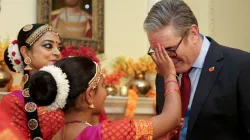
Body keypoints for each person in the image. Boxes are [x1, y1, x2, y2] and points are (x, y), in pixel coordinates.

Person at [144, 0, 250, 140]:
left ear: (193, 34)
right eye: (157, 51)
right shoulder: (164, 73)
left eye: (170, 50)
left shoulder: (241, 66)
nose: (166, 59)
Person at [28, 54, 181, 140]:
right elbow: (172, 118)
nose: (106, 92)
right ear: (89, 95)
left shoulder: (56, 135)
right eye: (102, 86)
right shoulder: (102, 135)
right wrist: (169, 74)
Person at [0, 24, 64, 140]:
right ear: (25, 52)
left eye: (59, 48)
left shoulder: (68, 94)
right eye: (48, 46)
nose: (57, 53)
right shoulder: (14, 102)